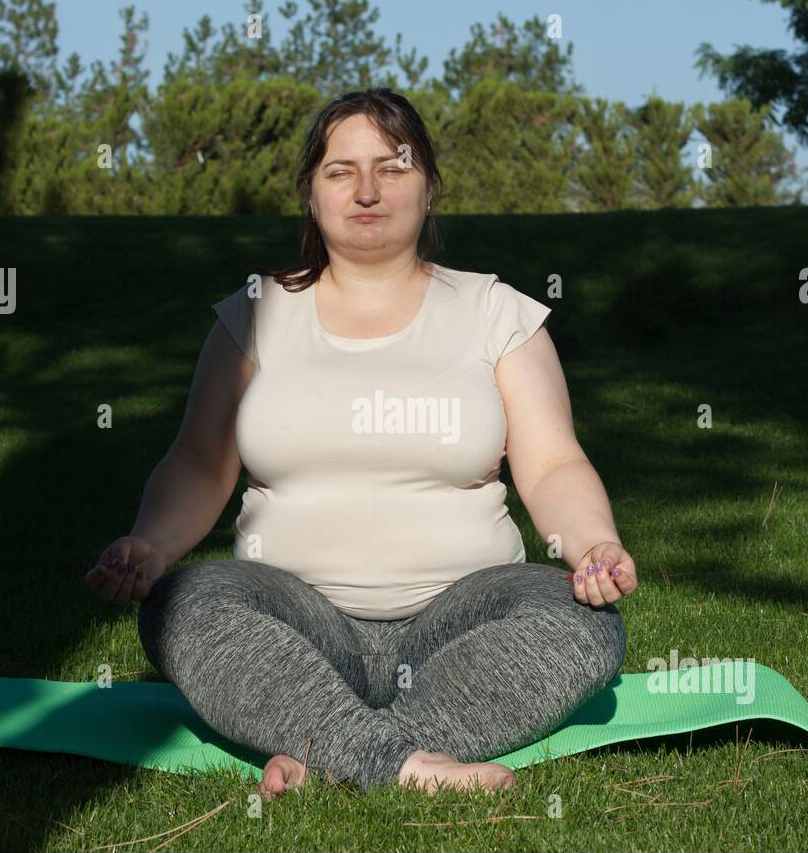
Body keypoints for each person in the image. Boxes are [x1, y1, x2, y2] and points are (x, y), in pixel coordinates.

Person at [84, 88, 638, 800]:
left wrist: (593, 543)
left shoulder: (498, 314)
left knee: (583, 624)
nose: (367, 190)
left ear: (429, 186)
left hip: (461, 620)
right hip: (296, 623)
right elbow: (198, 460)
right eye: (341, 171)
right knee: (186, 602)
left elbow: (555, 462)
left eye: (393, 167)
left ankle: (332, 752)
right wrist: (153, 546)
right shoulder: (254, 316)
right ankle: (403, 765)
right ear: (311, 194)